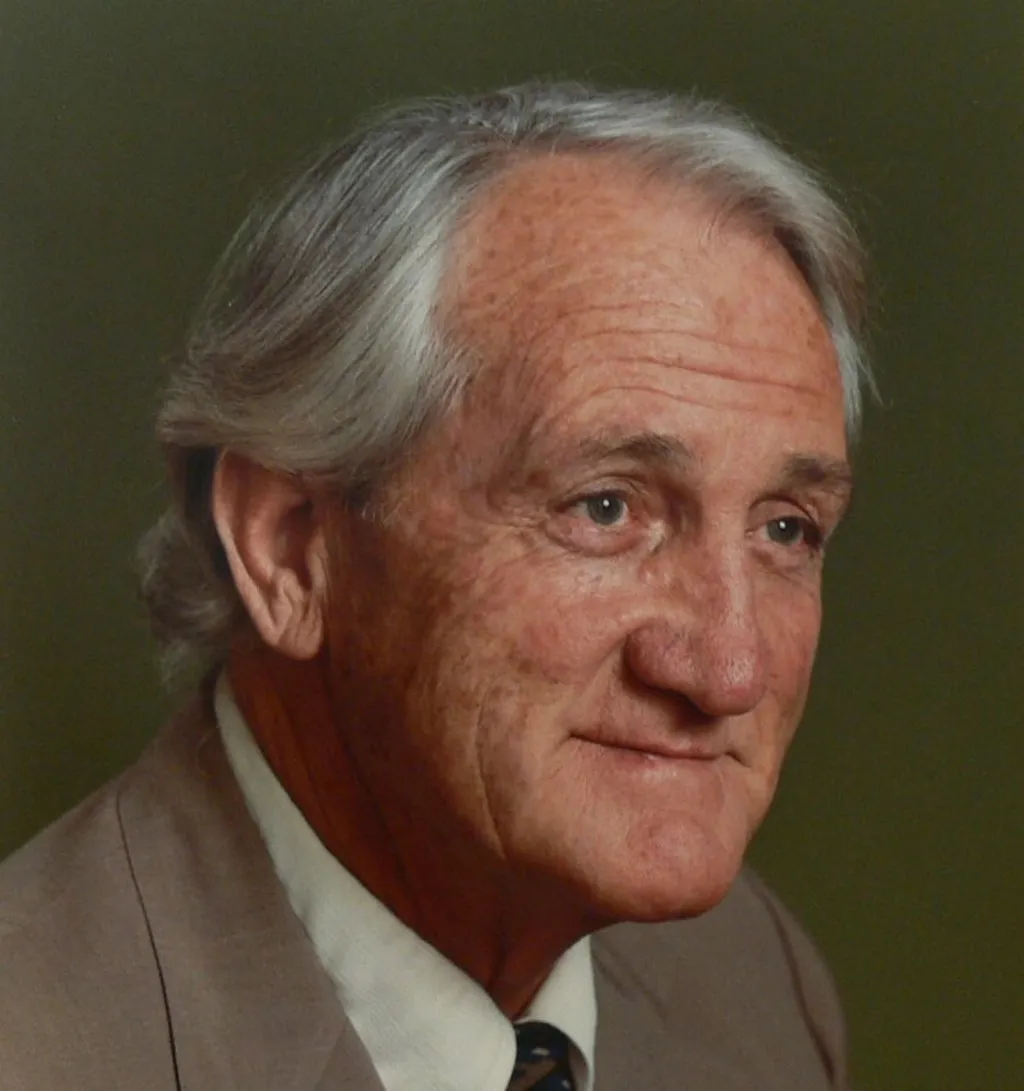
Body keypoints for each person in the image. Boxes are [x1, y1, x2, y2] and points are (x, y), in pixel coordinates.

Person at [0, 83, 871, 1090]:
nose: (728, 666)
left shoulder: (752, 984)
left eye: (783, 528)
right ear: (289, 548)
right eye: (603, 507)